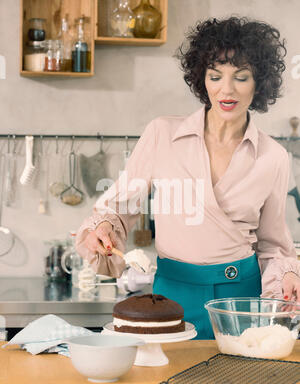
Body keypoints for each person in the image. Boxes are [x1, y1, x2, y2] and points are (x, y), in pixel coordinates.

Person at [76, 16, 300, 339]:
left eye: (241, 77)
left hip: (240, 302)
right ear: (201, 78)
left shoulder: (274, 157)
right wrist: (102, 229)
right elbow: (119, 209)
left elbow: (274, 247)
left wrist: (289, 277)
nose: (226, 89)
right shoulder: (161, 134)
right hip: (171, 297)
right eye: (215, 76)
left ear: (259, 82)